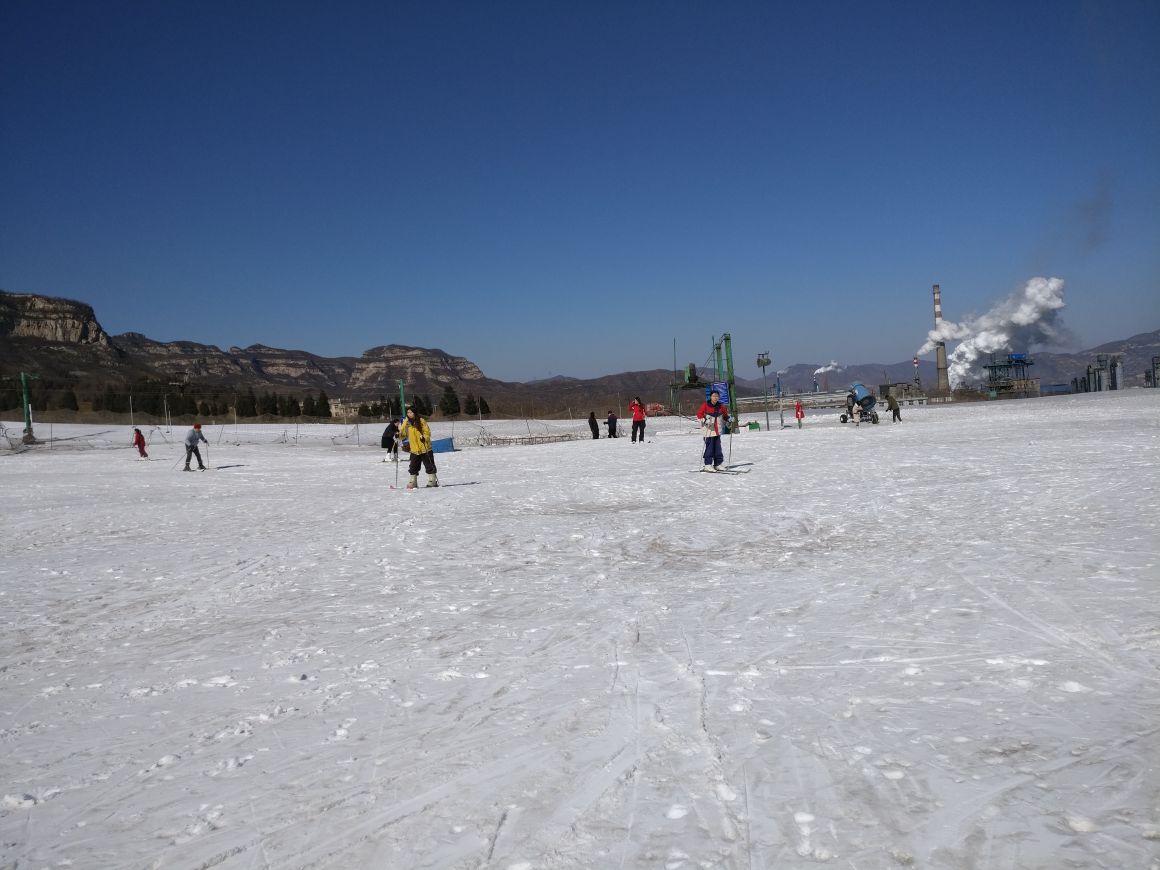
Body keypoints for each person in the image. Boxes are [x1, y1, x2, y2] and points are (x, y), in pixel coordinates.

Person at [399, 405, 438, 488]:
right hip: (414, 449)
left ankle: (432, 480)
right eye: (408, 412)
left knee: (429, 464)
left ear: (414, 413)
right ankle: (413, 481)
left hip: (425, 448)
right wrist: (398, 435)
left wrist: (424, 437)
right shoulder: (406, 422)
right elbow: (403, 434)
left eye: (411, 412)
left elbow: (427, 432)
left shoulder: (421, 421)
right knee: (413, 466)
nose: (409, 414)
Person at [695, 389, 730, 471]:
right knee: (709, 448)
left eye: (717, 396)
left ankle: (718, 464)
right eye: (714, 396)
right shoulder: (705, 405)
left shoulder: (721, 406)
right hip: (709, 430)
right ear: (710, 397)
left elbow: (725, 415)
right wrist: (704, 420)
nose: (715, 398)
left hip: (718, 430)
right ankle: (707, 464)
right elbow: (699, 414)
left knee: (718, 448)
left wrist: (729, 419)